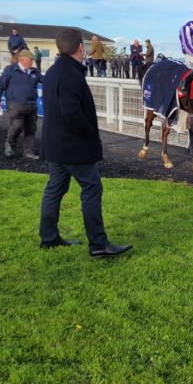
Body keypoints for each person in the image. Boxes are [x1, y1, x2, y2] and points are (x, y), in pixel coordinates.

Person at [38, 28, 132, 257]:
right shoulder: (70, 73)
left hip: (56, 144)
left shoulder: (53, 71)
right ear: (81, 47)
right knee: (91, 188)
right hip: (73, 145)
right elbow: (71, 113)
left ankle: (48, 237)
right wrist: (89, 132)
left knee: (54, 190)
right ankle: (98, 244)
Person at [0, 49, 42, 159]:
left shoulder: (35, 71)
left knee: (31, 129)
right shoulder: (10, 70)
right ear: (22, 59)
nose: (32, 62)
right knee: (17, 127)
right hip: (15, 105)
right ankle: (10, 145)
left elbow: (46, 80)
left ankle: (28, 152)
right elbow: (1, 86)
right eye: (31, 60)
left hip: (32, 105)